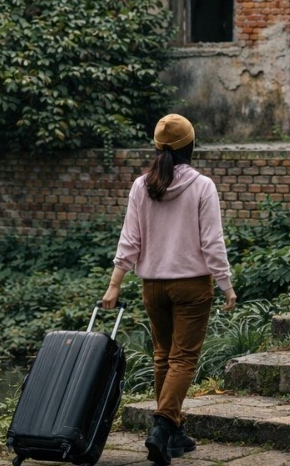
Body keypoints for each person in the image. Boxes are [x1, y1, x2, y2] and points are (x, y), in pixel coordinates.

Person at [101, 114, 237, 465]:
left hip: (153, 288)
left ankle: (174, 434)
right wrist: (226, 285)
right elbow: (212, 242)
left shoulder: (141, 186)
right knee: (183, 358)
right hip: (192, 286)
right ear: (191, 146)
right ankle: (161, 427)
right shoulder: (202, 186)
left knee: (163, 356)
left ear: (157, 147)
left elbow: (129, 240)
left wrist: (115, 284)